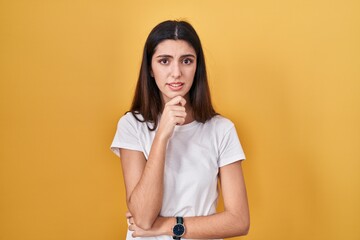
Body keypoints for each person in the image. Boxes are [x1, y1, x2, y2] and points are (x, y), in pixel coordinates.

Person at [110, 20, 250, 240]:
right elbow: (144, 217)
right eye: (164, 61)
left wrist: (168, 226)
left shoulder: (222, 130)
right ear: (150, 69)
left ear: (197, 67)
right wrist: (162, 135)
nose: (176, 72)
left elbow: (239, 221)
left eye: (186, 61)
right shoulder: (131, 125)